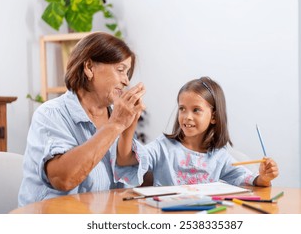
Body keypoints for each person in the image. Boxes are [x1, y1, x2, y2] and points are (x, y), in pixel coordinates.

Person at [18, 32, 146, 207]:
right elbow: (63, 179)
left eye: (127, 73)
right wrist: (116, 125)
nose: (126, 81)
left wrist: (127, 129)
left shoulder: (116, 115)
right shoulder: (50, 114)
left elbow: (126, 180)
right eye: (120, 70)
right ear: (89, 67)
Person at [117, 76, 278, 187]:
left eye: (196, 110)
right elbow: (124, 160)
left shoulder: (218, 156)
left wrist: (265, 177)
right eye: (182, 109)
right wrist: (128, 128)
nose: (187, 117)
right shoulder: (162, 147)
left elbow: (250, 180)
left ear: (213, 116)